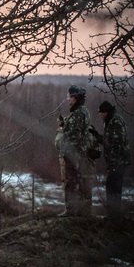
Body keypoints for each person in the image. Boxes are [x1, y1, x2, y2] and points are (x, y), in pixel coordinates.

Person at [55, 85, 96, 217]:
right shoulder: (81, 111)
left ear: (75, 97)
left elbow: (74, 135)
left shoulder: (79, 113)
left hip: (74, 154)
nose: (68, 99)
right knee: (77, 182)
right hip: (78, 153)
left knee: (71, 182)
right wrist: (64, 124)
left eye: (69, 96)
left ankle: (72, 210)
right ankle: (79, 211)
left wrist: (62, 130)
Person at [97, 100, 131, 220]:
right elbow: (108, 141)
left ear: (106, 112)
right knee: (112, 186)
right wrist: (96, 136)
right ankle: (113, 214)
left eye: (101, 113)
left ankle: (114, 215)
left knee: (113, 186)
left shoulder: (115, 121)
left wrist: (113, 165)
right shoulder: (110, 120)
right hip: (116, 161)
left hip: (118, 161)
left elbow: (116, 144)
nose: (100, 115)